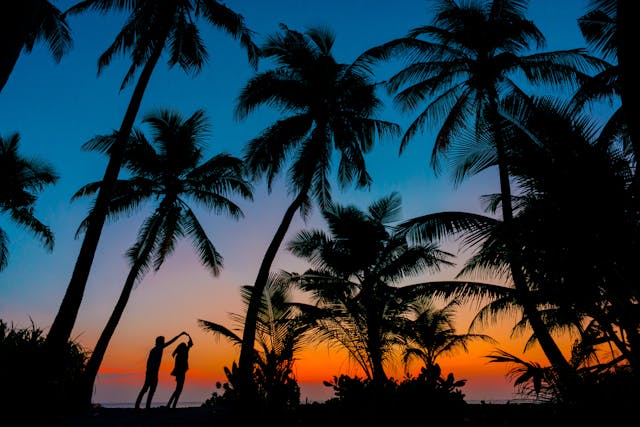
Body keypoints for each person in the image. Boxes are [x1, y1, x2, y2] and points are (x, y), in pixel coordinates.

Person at [135, 331, 187, 409]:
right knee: (146, 389)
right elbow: (149, 362)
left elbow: (171, 341)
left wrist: (180, 335)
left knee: (152, 389)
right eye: (162, 341)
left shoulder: (160, 348)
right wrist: (151, 371)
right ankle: (137, 405)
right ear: (158, 342)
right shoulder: (154, 350)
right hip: (151, 372)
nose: (164, 342)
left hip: (154, 373)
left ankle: (147, 406)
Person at [166, 333, 194, 408]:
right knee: (179, 389)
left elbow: (191, 343)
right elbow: (191, 343)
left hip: (180, 373)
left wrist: (188, 336)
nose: (186, 346)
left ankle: (172, 404)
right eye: (184, 346)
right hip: (181, 373)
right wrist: (188, 336)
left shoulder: (179, 355)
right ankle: (171, 404)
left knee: (178, 389)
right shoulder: (184, 353)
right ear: (182, 348)